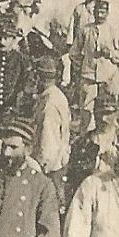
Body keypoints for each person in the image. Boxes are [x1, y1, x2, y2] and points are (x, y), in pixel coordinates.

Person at [72, 0, 119, 113]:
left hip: (108, 77)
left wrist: (111, 55)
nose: (99, 15)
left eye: (102, 12)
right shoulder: (85, 30)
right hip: (89, 77)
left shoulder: (114, 30)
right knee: (87, 111)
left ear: (107, 13)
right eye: (97, 11)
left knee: (107, 112)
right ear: (93, 12)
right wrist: (82, 67)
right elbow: (74, 52)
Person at [31, 56, 73, 194]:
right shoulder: (57, 96)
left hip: (50, 167)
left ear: (39, 78)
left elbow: (47, 138)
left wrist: (42, 165)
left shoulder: (49, 104)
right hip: (58, 161)